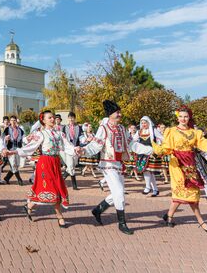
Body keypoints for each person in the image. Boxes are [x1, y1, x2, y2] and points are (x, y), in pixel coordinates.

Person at [152, 106, 207, 235]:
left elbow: (203, 143)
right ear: (177, 117)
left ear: (189, 117)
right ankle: (201, 222)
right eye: (181, 116)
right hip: (176, 163)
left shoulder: (195, 132)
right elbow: (166, 147)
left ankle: (169, 216)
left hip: (190, 164)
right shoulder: (171, 131)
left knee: (191, 191)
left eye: (186, 116)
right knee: (184, 190)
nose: (183, 119)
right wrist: (158, 150)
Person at [78, 100, 138, 235]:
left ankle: (98, 210)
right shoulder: (104, 128)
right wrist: (83, 150)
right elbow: (96, 145)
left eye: (119, 112)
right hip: (108, 164)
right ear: (110, 114)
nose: (120, 114)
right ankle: (122, 223)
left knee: (119, 192)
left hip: (119, 164)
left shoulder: (122, 129)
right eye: (117, 112)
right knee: (119, 193)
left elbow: (131, 144)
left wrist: (148, 149)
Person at [13, 110, 81, 227]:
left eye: (53, 117)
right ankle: (60, 217)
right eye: (49, 118)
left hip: (55, 162)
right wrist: (14, 151)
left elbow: (66, 145)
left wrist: (75, 149)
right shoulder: (41, 134)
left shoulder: (58, 133)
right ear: (43, 120)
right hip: (45, 163)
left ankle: (28, 206)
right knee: (53, 189)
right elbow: (30, 147)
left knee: (53, 189)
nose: (52, 119)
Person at [134, 116, 163, 197]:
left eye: (145, 123)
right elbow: (133, 140)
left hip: (151, 153)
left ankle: (148, 187)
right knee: (148, 171)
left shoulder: (153, 130)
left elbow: (162, 138)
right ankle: (155, 189)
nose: (143, 124)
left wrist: (161, 148)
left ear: (148, 123)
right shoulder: (139, 131)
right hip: (142, 153)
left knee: (148, 170)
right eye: (142, 123)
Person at [2, 115, 25, 185]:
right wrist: (5, 139)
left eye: (14, 120)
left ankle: (7, 178)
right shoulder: (7, 129)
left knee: (16, 165)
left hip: (18, 149)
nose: (13, 122)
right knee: (13, 164)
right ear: (10, 121)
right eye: (11, 120)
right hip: (10, 149)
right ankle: (19, 179)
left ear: (16, 121)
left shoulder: (20, 130)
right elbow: (2, 138)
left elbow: (23, 139)